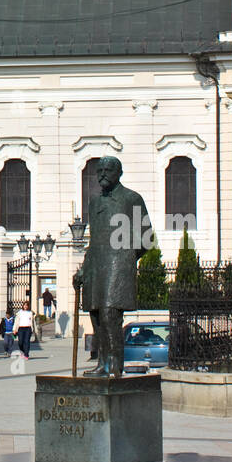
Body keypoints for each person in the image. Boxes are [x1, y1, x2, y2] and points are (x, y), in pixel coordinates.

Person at [72, 155, 153, 376]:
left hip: (118, 266)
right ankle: (102, 364)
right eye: (99, 171)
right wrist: (83, 269)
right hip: (96, 267)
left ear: (119, 173)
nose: (102, 175)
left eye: (108, 170)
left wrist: (126, 256)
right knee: (97, 315)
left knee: (110, 314)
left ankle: (114, 367)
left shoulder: (131, 198)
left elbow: (147, 237)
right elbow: (93, 240)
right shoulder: (95, 202)